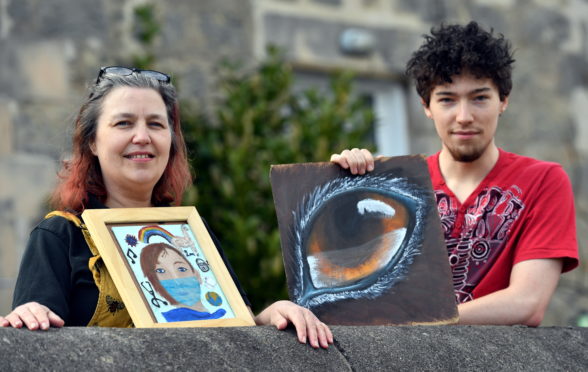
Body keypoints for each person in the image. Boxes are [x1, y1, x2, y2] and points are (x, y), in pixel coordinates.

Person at [0, 66, 333, 348]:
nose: (142, 136)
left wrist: (274, 313)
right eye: (124, 123)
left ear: (170, 143)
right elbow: (35, 341)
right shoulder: (59, 235)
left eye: (156, 124)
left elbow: (236, 329)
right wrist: (29, 316)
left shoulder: (190, 235)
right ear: (93, 142)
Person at [331, 22, 579, 326]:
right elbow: (354, 291)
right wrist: (344, 186)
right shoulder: (396, 183)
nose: (464, 117)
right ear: (427, 106)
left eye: (479, 98)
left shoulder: (542, 181)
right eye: (447, 99)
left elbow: (527, 303)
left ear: (503, 101)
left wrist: (414, 320)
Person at [140, 242, 226, 321]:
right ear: (154, 283)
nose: (177, 280)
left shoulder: (223, 314)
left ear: (197, 274)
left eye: (181, 269)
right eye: (161, 271)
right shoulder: (166, 319)